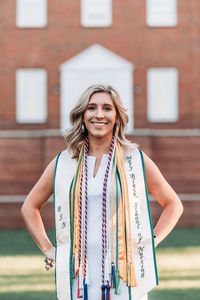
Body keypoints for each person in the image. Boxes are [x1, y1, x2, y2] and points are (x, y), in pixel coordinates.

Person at [21, 84, 183, 300]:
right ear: (82, 115)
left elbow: (173, 204)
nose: (99, 114)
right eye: (91, 108)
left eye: (107, 108)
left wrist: (151, 241)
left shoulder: (134, 159)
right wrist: (49, 250)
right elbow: (29, 206)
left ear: (117, 116)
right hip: (78, 273)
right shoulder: (64, 162)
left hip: (121, 272)